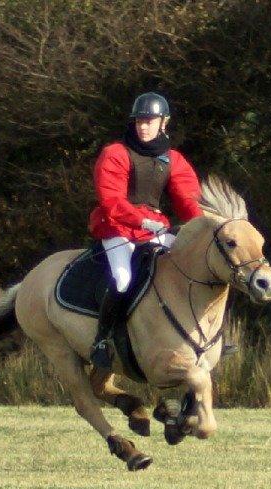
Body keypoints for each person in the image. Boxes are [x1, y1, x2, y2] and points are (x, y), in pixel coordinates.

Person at [88, 92, 204, 368]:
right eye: (139, 121)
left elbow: (188, 199)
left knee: (194, 267)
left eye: (149, 121)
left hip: (153, 229)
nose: (143, 126)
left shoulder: (173, 159)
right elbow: (111, 201)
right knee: (122, 278)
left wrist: (202, 224)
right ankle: (102, 341)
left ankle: (200, 336)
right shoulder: (115, 153)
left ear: (164, 123)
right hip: (116, 227)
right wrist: (141, 220)